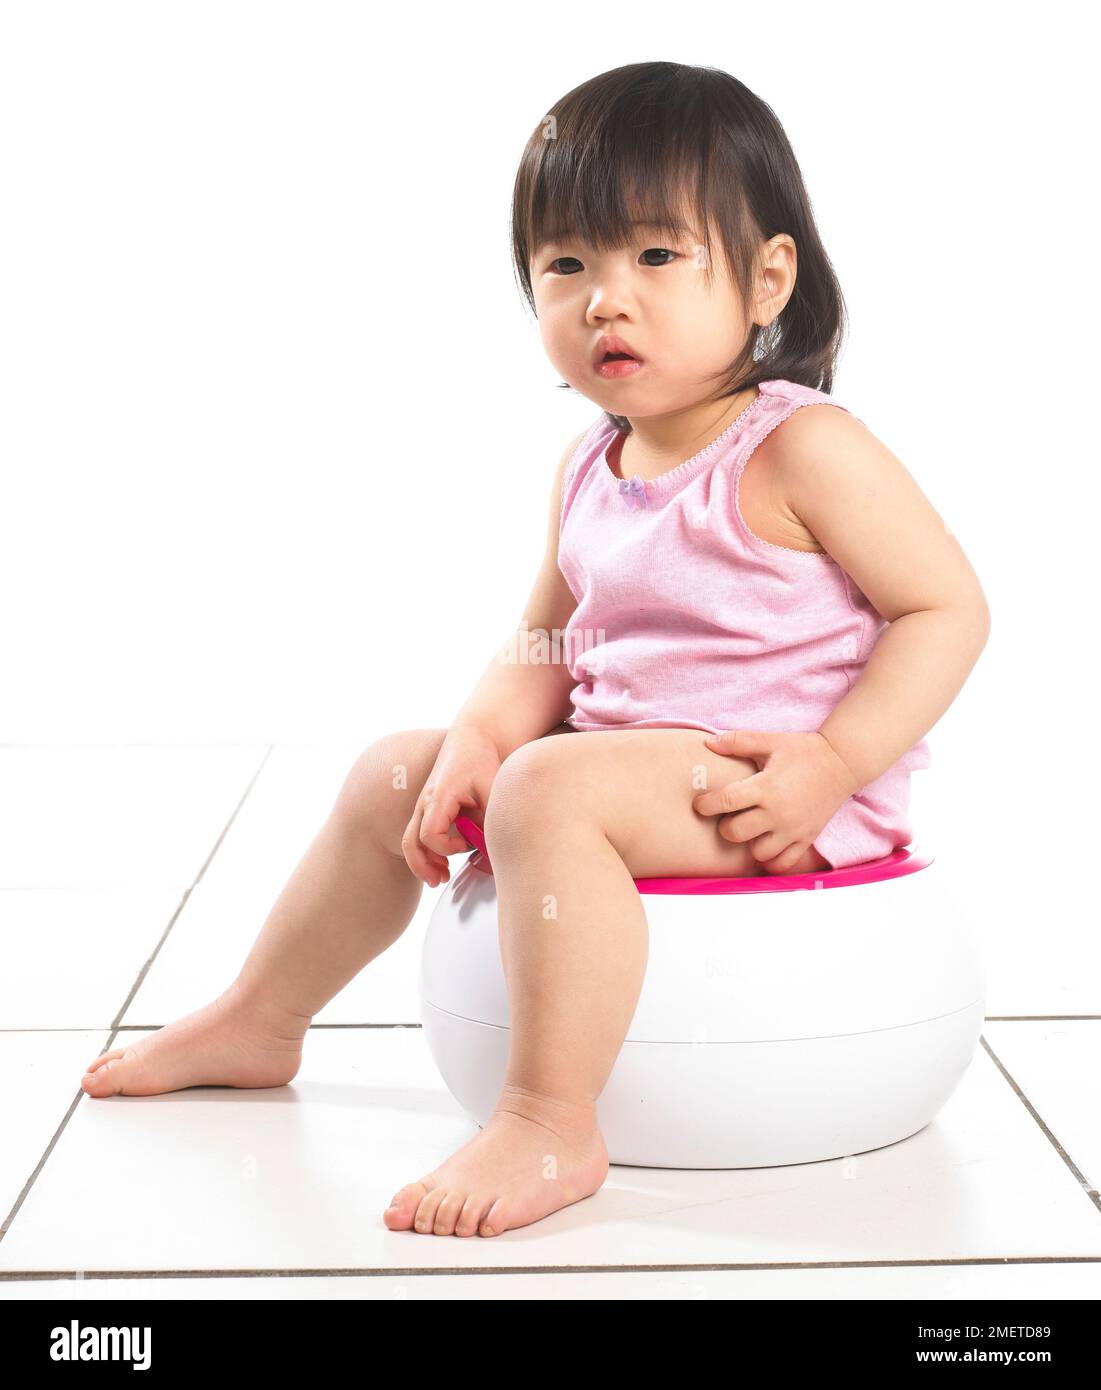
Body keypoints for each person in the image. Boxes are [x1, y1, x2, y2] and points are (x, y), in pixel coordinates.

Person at [80, 61, 991, 1242]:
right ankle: (261, 1015)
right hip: (623, 778)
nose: (606, 299)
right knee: (394, 771)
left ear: (769, 278)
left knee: (547, 783)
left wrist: (833, 757)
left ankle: (552, 1114)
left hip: (774, 785)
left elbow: (947, 609)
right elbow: (546, 635)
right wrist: (476, 736)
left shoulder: (803, 447)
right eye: (567, 265)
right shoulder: (587, 464)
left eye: (657, 257)